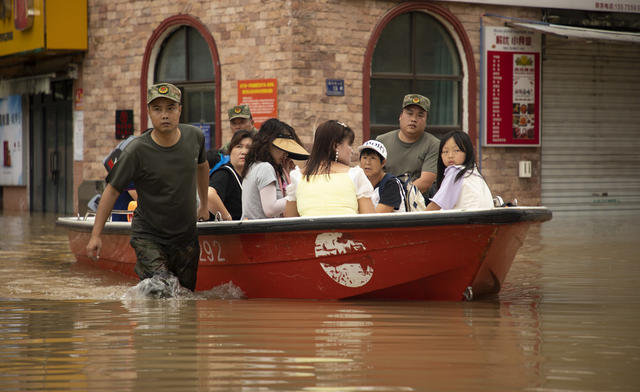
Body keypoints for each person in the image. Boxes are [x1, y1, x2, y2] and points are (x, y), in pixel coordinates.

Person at [86, 82, 209, 292]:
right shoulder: (136, 150)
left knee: (186, 297)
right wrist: (96, 235)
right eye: (157, 109)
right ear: (149, 113)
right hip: (149, 236)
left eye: (170, 108)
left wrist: (204, 205)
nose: (165, 115)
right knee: (162, 287)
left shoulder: (194, 137)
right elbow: (112, 190)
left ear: (180, 109)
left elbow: (202, 166)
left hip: (185, 236)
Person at [285, 120, 375, 217]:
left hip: (310, 232)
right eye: (349, 144)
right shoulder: (355, 175)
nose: (352, 151)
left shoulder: (298, 177)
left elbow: (289, 222)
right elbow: (370, 221)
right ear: (336, 146)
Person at [242, 118, 308, 220]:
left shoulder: (253, 166)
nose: (286, 154)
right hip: (263, 233)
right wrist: (298, 194)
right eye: (282, 149)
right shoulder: (265, 168)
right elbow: (270, 209)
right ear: (268, 144)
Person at [376, 94, 439, 195]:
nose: (414, 119)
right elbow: (374, 175)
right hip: (384, 198)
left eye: (420, 115)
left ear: (426, 120)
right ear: (400, 116)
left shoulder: (433, 144)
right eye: (409, 114)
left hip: (418, 203)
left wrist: (399, 195)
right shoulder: (382, 141)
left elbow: (425, 182)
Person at [426, 130, 493, 211]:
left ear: (467, 152)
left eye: (456, 150)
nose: (450, 156)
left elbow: (436, 206)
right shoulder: (474, 172)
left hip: (467, 221)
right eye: (445, 151)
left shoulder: (455, 171)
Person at [207, 129, 252, 221]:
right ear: (230, 150)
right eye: (239, 146)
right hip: (224, 233)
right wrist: (228, 219)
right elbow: (209, 195)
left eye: (248, 148)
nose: (244, 152)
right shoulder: (224, 173)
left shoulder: (248, 175)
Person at [358, 140, 405, 213]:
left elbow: (376, 219)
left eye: (373, 158)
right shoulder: (358, 181)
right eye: (364, 157)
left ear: (383, 163)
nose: (367, 162)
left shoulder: (391, 184)